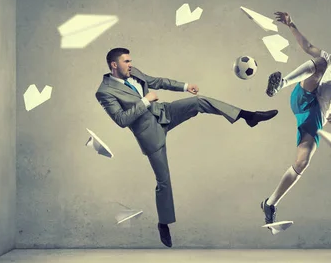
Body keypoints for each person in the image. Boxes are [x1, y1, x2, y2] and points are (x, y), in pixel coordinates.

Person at [96, 47, 278, 247]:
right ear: (114, 65)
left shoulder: (134, 72)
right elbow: (122, 120)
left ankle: (248, 116)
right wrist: (145, 101)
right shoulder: (104, 92)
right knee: (163, 180)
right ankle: (164, 223)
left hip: (164, 112)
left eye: (130, 61)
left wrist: (185, 86)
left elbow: (157, 81)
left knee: (199, 102)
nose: (130, 64)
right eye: (126, 62)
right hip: (150, 134)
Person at [261, 12, 331, 225]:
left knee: (302, 162)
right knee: (320, 62)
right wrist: (291, 24)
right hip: (305, 96)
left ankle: (270, 203)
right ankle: (280, 84)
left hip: (316, 115)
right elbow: (308, 46)